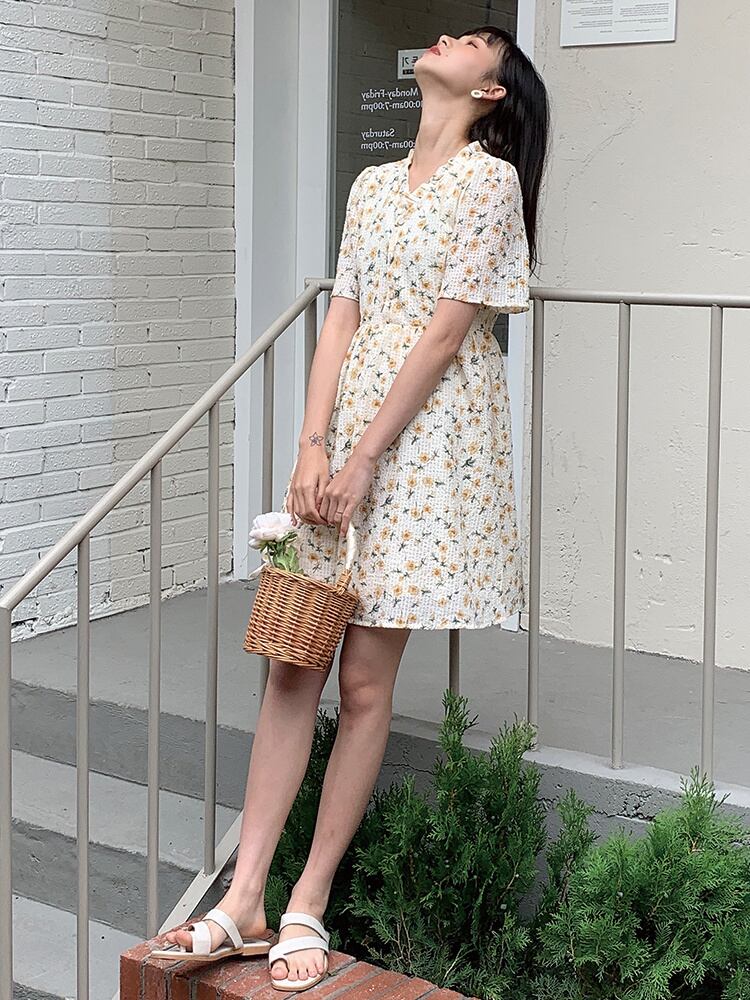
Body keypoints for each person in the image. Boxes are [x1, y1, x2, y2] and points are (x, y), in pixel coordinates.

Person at [152, 24, 549, 993]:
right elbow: (343, 315)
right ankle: (244, 897)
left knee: (365, 681)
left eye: (473, 42)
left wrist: (367, 454)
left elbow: (447, 334)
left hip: (428, 444)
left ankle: (307, 901)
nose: (446, 38)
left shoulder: (490, 183)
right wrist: (312, 444)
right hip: (349, 438)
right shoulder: (370, 185)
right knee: (295, 658)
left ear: (491, 91)